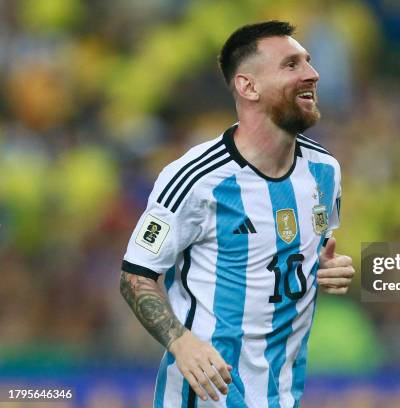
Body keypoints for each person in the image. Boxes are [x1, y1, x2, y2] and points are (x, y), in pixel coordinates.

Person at [119, 20, 354, 407]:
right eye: (291, 65)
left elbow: (305, 251)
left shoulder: (325, 171)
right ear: (248, 86)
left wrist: (328, 267)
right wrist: (180, 342)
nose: (312, 74)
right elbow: (135, 277)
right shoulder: (195, 178)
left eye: (308, 62)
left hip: (282, 393)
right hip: (207, 395)